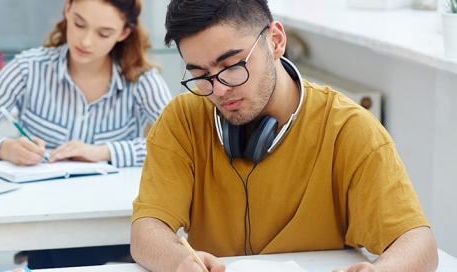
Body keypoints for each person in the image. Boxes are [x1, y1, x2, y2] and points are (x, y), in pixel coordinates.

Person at [130, 1, 438, 272]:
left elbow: (417, 243)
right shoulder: (181, 119)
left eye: (232, 66)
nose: (219, 90)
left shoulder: (349, 128)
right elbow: (146, 229)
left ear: (276, 41)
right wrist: (178, 262)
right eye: (201, 76)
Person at [0, 0, 171, 268]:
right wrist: (5, 148)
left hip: (109, 218)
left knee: (57, 257)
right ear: (67, 10)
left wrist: (104, 152)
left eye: (103, 34)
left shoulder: (142, 79)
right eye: (79, 24)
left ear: (124, 33)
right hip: (42, 217)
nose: (86, 41)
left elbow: (177, 145)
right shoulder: (28, 68)